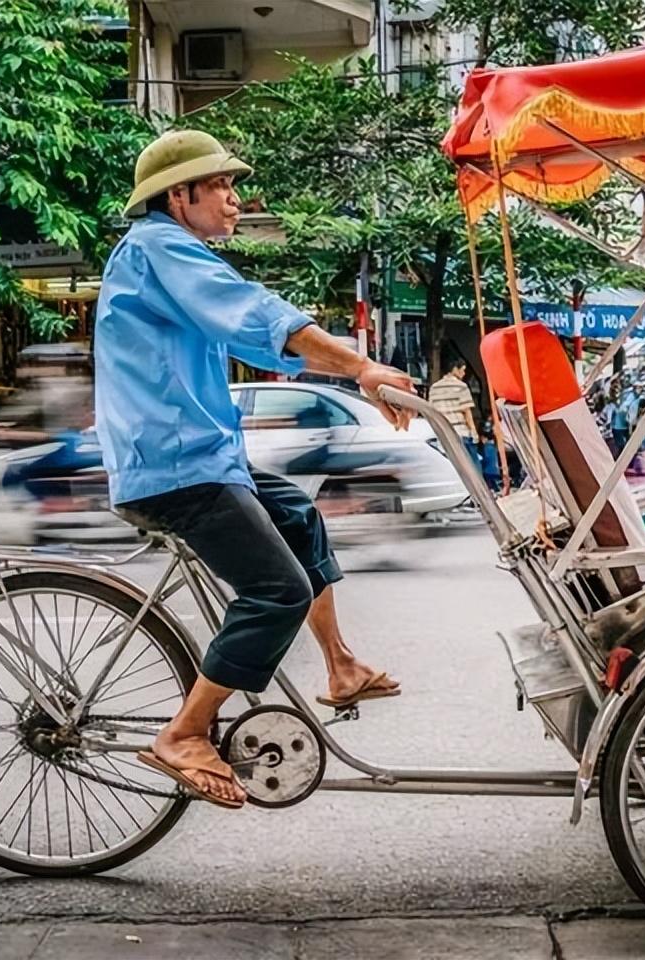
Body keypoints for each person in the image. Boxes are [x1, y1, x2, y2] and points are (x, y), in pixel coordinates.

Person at [96, 130, 413, 809]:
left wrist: (355, 371)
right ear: (179, 197)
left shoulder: (174, 254)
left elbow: (257, 332)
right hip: (175, 470)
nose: (236, 201)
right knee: (277, 591)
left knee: (298, 515)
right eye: (223, 188)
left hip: (206, 460)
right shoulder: (159, 248)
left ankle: (341, 665)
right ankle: (185, 732)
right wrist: (360, 366)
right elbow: (254, 315)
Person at [428, 357, 481, 468]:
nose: (464, 373)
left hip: (442, 434)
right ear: (455, 370)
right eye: (463, 370)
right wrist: (474, 432)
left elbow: (431, 412)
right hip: (460, 432)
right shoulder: (461, 387)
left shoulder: (434, 388)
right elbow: (467, 412)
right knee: (473, 468)